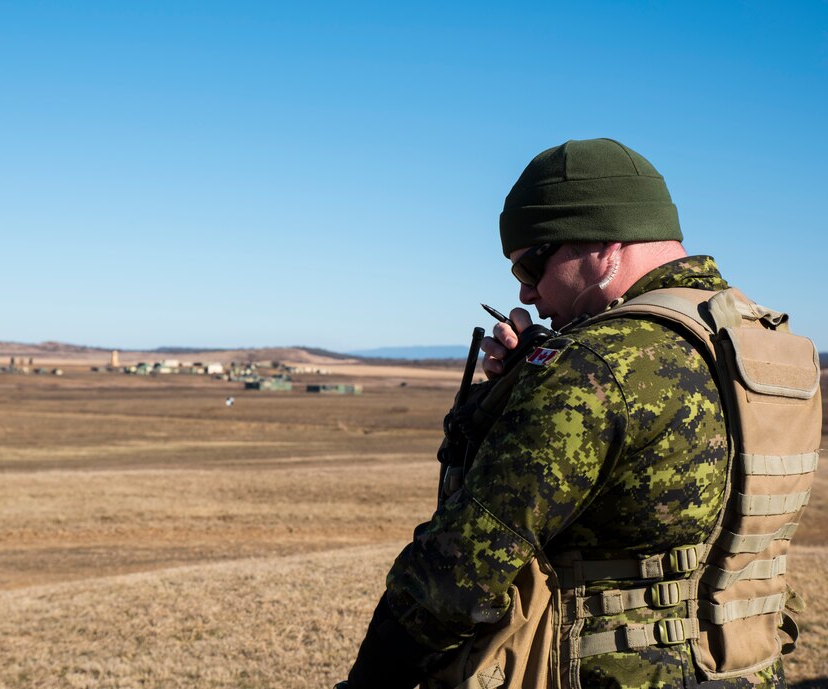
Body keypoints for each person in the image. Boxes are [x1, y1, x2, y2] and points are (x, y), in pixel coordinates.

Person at [335, 138, 820, 688]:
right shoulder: (766, 346)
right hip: (748, 669)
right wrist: (526, 379)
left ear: (603, 245)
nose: (526, 292)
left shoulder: (594, 367)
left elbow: (456, 574)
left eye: (532, 264)